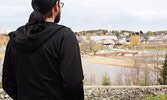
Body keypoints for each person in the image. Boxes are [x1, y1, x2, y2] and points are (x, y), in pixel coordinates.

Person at [2, 0, 84, 100]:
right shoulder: (64, 36)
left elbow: (7, 82)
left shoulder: (15, 38)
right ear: (56, 6)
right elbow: (73, 84)